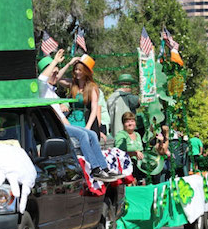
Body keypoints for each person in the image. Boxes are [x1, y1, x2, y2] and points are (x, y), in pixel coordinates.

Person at [35, 50, 119, 182]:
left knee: (90, 134)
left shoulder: (51, 90)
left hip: (62, 123)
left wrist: (67, 64)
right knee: (83, 135)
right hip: (54, 126)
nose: (56, 75)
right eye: (54, 72)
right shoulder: (41, 87)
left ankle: (104, 168)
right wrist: (56, 62)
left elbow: (56, 80)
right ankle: (96, 169)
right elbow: (43, 78)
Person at [58, 54, 102, 138]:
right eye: (76, 69)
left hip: (86, 121)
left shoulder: (92, 87)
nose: (77, 72)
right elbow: (57, 78)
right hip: (71, 121)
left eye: (80, 70)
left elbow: (94, 109)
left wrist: (88, 127)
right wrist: (69, 64)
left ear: (86, 71)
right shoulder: (72, 84)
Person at [107, 74, 140, 138]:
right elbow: (140, 101)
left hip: (115, 131)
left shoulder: (111, 97)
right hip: (126, 132)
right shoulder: (127, 97)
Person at [115, 112, 144, 182]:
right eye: (127, 121)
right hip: (127, 166)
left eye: (132, 121)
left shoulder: (137, 135)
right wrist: (134, 153)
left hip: (140, 166)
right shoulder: (121, 135)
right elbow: (119, 153)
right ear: (123, 124)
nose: (130, 123)